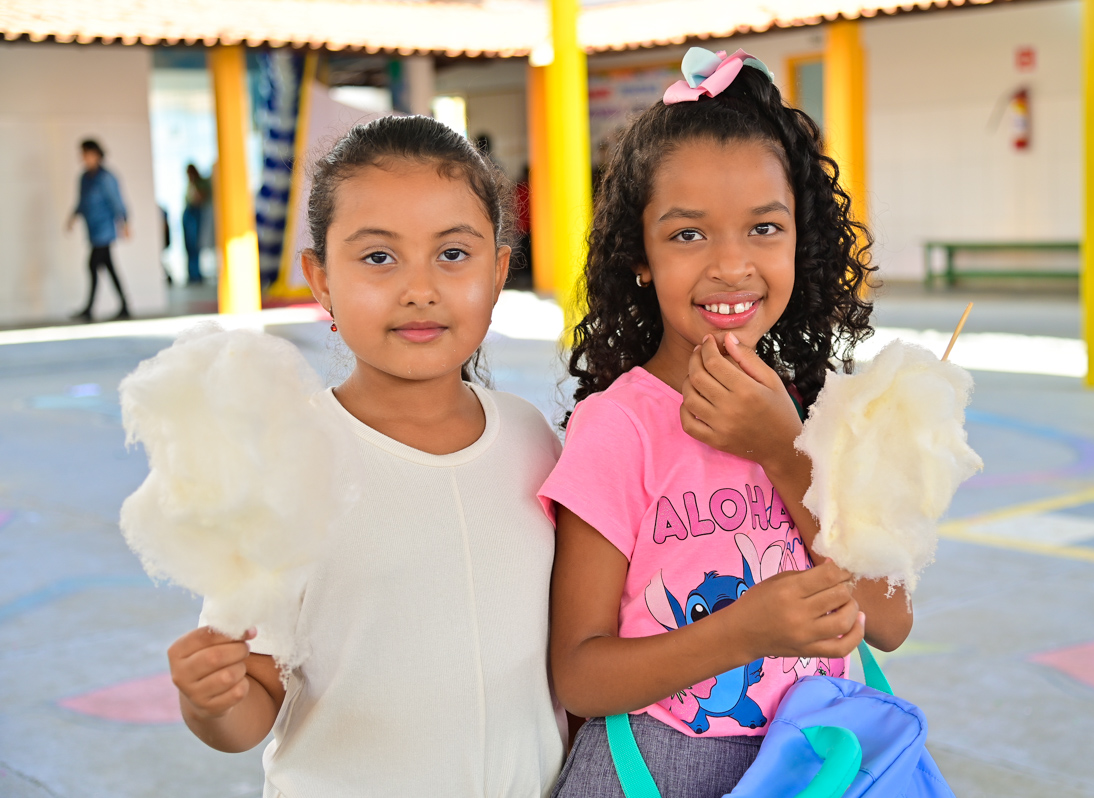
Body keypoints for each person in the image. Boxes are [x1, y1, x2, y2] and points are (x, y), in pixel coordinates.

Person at [540, 49, 913, 797]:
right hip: (661, 771)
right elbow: (579, 675)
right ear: (640, 255)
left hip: (810, 765)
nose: (732, 265)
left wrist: (784, 451)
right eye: (688, 235)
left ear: (800, 240)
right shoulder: (620, 428)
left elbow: (889, 619)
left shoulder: (826, 417)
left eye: (764, 228)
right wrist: (741, 633)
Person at [165, 116, 565, 796]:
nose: (419, 288)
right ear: (320, 279)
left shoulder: (533, 439)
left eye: (453, 254)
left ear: (498, 272)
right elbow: (253, 702)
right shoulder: (288, 462)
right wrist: (211, 700)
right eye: (379, 258)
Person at [66, 139, 131, 321]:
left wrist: (125, 222)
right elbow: (82, 201)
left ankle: (89, 308)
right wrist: (73, 217)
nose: (83, 158)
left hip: (105, 229)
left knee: (92, 264)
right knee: (108, 267)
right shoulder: (84, 178)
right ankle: (124, 306)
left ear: (96, 154)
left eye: (86, 154)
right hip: (92, 229)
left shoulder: (106, 178)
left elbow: (117, 201)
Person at [182, 164, 212, 285]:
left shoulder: (200, 183)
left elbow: (201, 198)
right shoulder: (190, 184)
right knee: (189, 246)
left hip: (195, 213)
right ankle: (192, 274)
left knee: (194, 245)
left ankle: (196, 274)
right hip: (188, 213)